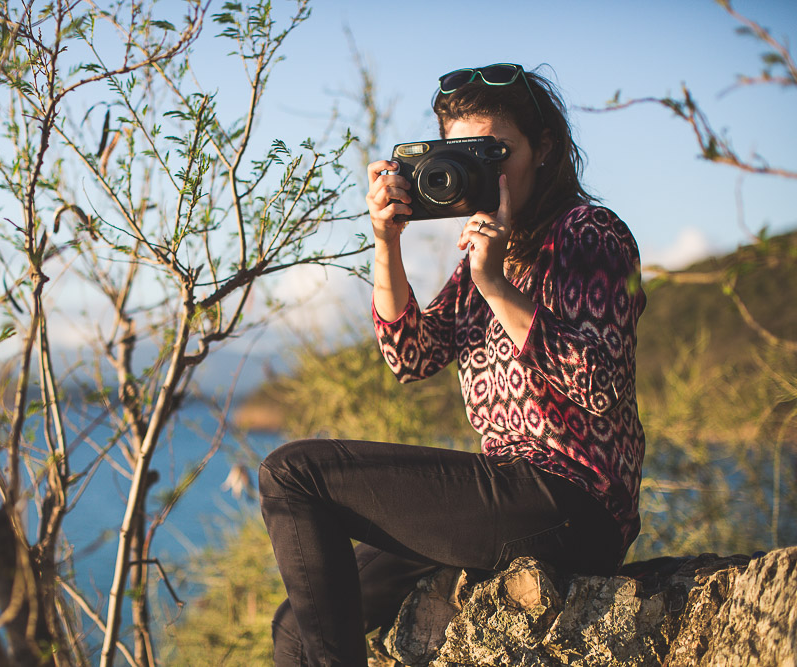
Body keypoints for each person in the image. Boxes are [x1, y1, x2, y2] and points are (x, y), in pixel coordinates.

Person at [259, 63, 647, 667]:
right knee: (296, 624)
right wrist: (386, 243)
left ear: (544, 148)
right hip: (508, 498)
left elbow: (600, 383)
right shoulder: (489, 250)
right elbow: (409, 356)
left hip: (574, 499)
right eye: (465, 153)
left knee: (293, 474)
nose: (484, 171)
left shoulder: (589, 232)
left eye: (496, 152)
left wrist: (495, 285)